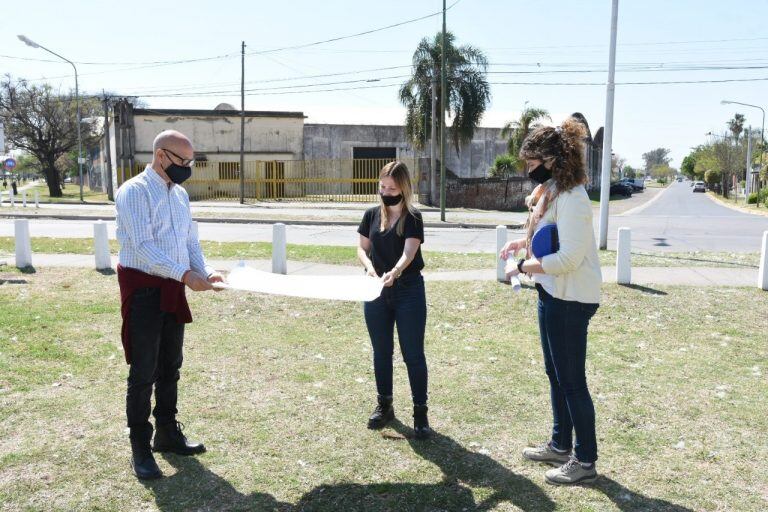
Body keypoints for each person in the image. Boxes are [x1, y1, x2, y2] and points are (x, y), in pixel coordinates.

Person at [115, 129, 224, 480]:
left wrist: (205, 270)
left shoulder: (179, 196)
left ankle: (167, 432)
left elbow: (190, 240)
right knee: (143, 371)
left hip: (173, 286)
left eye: (191, 162)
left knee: (170, 366)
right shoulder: (133, 192)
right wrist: (185, 275)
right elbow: (144, 247)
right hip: (145, 289)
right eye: (182, 161)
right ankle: (140, 447)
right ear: (161, 155)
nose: (187, 169)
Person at [500, 118, 602, 485]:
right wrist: (519, 245)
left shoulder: (573, 198)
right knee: (555, 374)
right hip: (552, 293)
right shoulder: (552, 192)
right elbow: (547, 238)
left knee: (572, 380)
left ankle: (585, 459)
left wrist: (524, 267)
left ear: (552, 159)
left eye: (532, 162)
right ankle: (560, 444)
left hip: (572, 299)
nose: (528, 169)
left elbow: (569, 259)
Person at [357, 161, 431, 439]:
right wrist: (369, 267)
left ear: (404, 188)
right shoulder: (370, 215)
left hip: (408, 289)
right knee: (381, 351)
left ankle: (420, 413)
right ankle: (384, 405)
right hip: (376, 290)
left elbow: (409, 252)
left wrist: (395, 272)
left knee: (413, 354)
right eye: (382, 186)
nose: (386, 192)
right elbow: (362, 248)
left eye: (391, 187)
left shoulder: (413, 217)